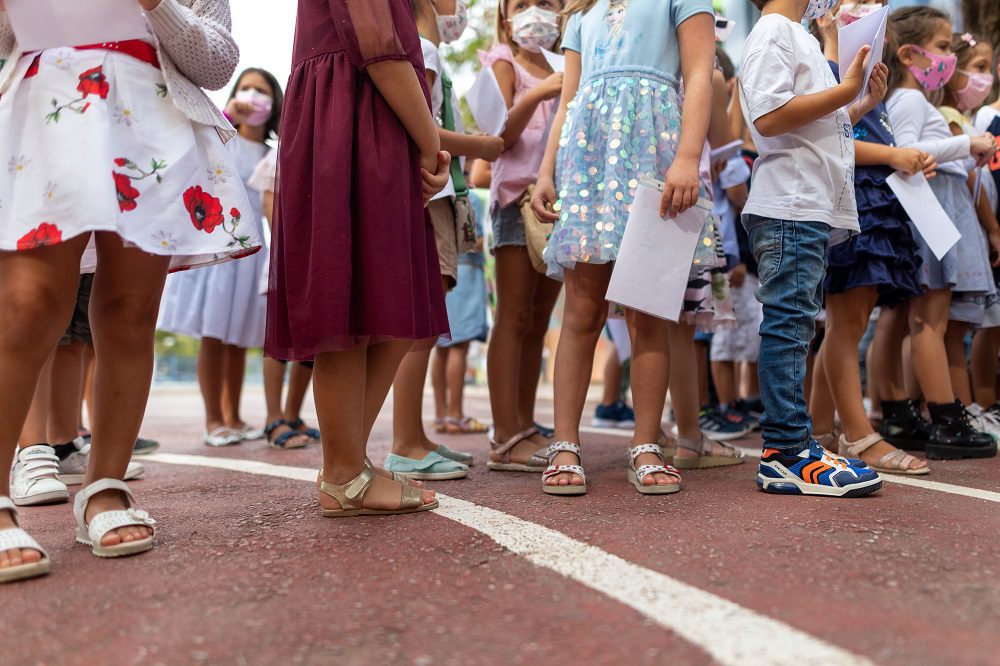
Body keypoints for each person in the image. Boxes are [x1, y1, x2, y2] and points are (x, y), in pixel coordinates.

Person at [0, 0, 256, 582]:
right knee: (27, 304)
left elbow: (216, 62)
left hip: (152, 118)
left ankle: (104, 488)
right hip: (47, 110)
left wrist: (157, 5)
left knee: (130, 310)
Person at [268, 0, 450, 517]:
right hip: (353, 119)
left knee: (386, 300)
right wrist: (429, 140)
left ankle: (346, 465)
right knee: (351, 299)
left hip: (365, 118)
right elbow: (380, 48)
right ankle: (345, 473)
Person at [532, 0, 718, 495]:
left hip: (654, 155)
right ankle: (565, 442)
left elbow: (700, 73)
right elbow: (569, 99)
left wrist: (688, 156)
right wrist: (546, 170)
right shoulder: (580, 15)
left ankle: (646, 443)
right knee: (581, 310)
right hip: (587, 161)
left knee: (649, 310)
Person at [740, 0, 887, 496]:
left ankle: (793, 444)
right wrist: (846, 89)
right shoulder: (773, 31)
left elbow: (813, 125)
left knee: (797, 325)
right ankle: (784, 451)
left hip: (806, 205)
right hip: (790, 203)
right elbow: (770, 116)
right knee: (788, 326)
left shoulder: (794, 33)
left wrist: (857, 104)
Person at [805, 1, 930, 475]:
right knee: (846, 326)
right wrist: (896, 155)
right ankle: (860, 437)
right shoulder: (828, 65)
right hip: (853, 200)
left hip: (873, 202)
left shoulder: (862, 75)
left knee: (844, 324)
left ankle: (819, 432)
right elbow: (832, 140)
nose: (872, 10)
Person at [384, 0, 504, 481]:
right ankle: (405, 444)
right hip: (433, 195)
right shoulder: (426, 50)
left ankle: (414, 437)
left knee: (427, 322)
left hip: (437, 194)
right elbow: (422, 131)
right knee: (420, 325)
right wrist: (481, 145)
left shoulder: (425, 49)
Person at [883, 6, 998, 460]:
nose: (949, 58)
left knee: (910, 320)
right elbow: (907, 150)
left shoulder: (910, 99)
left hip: (931, 205)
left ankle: (902, 410)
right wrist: (967, 144)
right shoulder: (910, 99)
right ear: (911, 53)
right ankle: (947, 418)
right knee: (930, 320)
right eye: (943, 47)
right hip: (928, 209)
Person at [158, 67, 282, 447]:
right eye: (245, 87)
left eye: (261, 90)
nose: (252, 95)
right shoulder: (221, 136)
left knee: (239, 338)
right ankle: (214, 420)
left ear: (275, 103)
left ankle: (235, 415)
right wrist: (227, 115)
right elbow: (195, 152)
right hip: (218, 246)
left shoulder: (274, 154)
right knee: (214, 335)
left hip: (251, 254)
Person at [481, 0, 565, 474]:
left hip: (559, 203)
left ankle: (526, 424)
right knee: (512, 315)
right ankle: (503, 432)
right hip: (516, 198)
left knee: (538, 320)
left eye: (548, 3)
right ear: (506, 14)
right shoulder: (502, 60)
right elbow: (497, 136)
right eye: (524, 3)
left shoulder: (567, 60)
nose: (537, 10)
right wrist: (536, 95)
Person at [939, 31, 1000, 438]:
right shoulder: (965, 121)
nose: (986, 77)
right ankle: (969, 407)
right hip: (962, 230)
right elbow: (967, 182)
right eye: (978, 68)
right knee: (957, 325)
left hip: (971, 229)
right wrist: (993, 227)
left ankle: (970, 408)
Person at [248, 146, 320, 450]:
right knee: (281, 339)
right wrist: (294, 252)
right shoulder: (280, 154)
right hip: (290, 258)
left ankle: (292, 414)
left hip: (320, 258)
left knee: (312, 342)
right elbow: (271, 209)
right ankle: (273, 417)